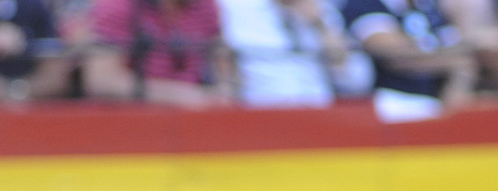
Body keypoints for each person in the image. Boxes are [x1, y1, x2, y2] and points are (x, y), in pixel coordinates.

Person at [341, 0, 473, 119]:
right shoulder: (366, 4)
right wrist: (448, 59)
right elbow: (392, 54)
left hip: (437, 99)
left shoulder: (427, 7)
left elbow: (462, 49)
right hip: (392, 103)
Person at [82, 0, 234, 101]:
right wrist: (180, 96)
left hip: (190, 124)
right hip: (124, 123)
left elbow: (224, 63)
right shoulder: (118, 5)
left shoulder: (207, 6)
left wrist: (224, 90)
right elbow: (102, 81)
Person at [220, 0, 358, 106]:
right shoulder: (236, 8)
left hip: (319, 110)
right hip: (260, 110)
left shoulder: (323, 10)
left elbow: (351, 79)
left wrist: (320, 25)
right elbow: (223, 60)